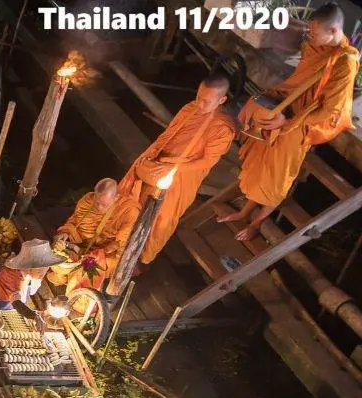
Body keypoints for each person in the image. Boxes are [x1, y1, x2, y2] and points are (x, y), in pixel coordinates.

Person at [220, 3, 359, 241]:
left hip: (298, 125)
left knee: (277, 177)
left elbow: (330, 110)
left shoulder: (345, 63)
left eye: (314, 33)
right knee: (260, 165)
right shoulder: (316, 47)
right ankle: (244, 211)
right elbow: (297, 82)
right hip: (283, 110)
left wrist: (288, 122)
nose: (310, 37)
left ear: (334, 31)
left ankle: (257, 222)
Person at [118, 72, 236, 265]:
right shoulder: (190, 108)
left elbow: (207, 161)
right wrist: (153, 158)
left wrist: (174, 166)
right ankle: (119, 244)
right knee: (134, 201)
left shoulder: (222, 128)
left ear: (221, 100)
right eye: (199, 97)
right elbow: (168, 136)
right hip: (159, 163)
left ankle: (138, 259)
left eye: (207, 101)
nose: (200, 104)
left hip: (181, 176)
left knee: (161, 218)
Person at [51, 178, 138, 292]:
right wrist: (65, 232)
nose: (99, 208)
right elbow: (74, 221)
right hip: (81, 244)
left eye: (104, 205)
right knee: (57, 255)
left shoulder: (129, 211)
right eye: (97, 203)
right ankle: (68, 275)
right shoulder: (87, 199)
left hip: (106, 252)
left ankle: (80, 291)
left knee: (90, 269)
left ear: (116, 198)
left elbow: (123, 243)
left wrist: (99, 254)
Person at [0, 239, 67, 329]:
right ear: (29, 265)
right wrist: (33, 316)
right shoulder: (11, 277)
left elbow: (37, 284)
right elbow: (16, 301)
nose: (44, 270)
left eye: (47, 266)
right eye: (40, 267)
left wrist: (48, 299)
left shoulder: (34, 273)